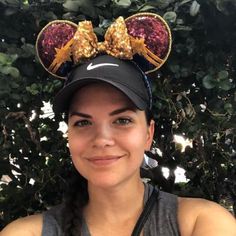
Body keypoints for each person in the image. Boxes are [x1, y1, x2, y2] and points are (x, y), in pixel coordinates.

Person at [1, 13, 236, 236]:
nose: (102, 139)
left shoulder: (203, 223)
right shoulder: (26, 232)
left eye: (122, 120)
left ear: (148, 134)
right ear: (69, 136)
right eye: (83, 122)